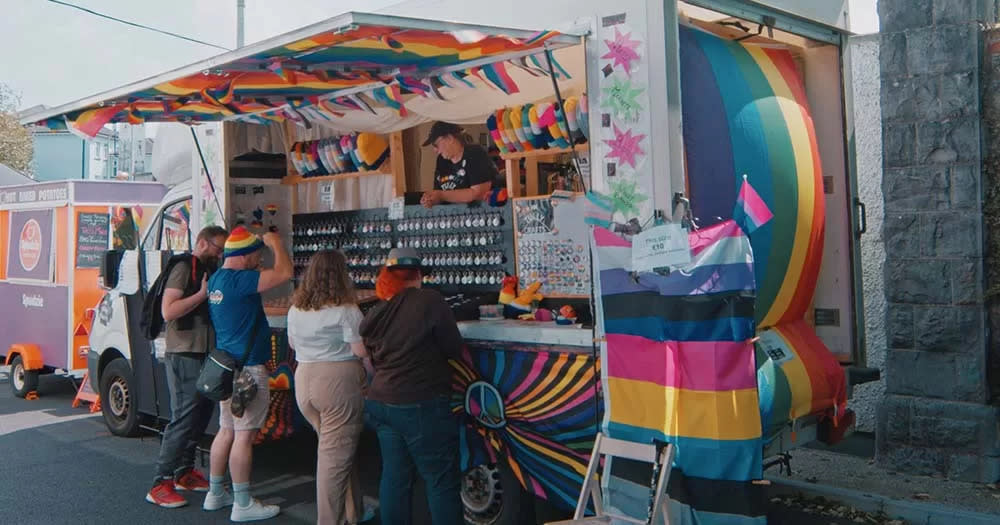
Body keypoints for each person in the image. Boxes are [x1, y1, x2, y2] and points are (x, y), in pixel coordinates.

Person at [359, 247, 464, 525]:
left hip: (382, 401)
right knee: (440, 479)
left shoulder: (377, 312)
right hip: (420, 401)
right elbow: (453, 348)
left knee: (395, 476)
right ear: (418, 274)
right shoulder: (430, 301)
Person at [204, 226, 292, 522]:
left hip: (227, 368)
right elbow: (284, 273)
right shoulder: (241, 281)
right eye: (256, 253)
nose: (258, 257)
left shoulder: (217, 279)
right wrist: (276, 243)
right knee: (243, 436)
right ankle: (242, 503)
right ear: (244, 255)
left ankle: (215, 493)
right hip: (249, 370)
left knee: (225, 430)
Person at [145, 225, 228, 508]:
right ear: (202, 243)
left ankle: (184, 472)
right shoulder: (183, 267)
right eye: (218, 248)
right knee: (183, 418)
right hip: (184, 353)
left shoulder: (204, 269)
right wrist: (201, 296)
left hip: (203, 353)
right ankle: (160, 482)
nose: (220, 254)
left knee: (200, 414)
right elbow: (168, 311)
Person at [286, 250, 371, 525]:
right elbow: (359, 350)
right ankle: (329, 520)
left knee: (339, 451)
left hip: (304, 380)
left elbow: (292, 345)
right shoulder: (346, 310)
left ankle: (352, 513)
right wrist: (374, 375)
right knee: (334, 460)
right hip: (337, 383)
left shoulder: (296, 308)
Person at [420, 121, 498, 208]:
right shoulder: (441, 160)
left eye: (436, 144)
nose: (435, 150)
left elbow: (479, 193)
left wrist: (441, 195)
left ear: (450, 138)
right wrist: (431, 199)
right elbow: (438, 192)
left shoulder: (475, 153)